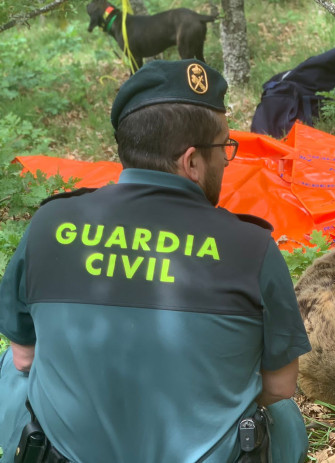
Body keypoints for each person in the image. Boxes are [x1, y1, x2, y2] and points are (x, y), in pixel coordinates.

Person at [0, 59, 311, 463]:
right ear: (192, 162)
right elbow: (281, 386)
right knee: (284, 416)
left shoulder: (49, 223)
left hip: (64, 454)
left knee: (11, 367)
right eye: (223, 148)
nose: (226, 160)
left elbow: (25, 357)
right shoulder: (252, 247)